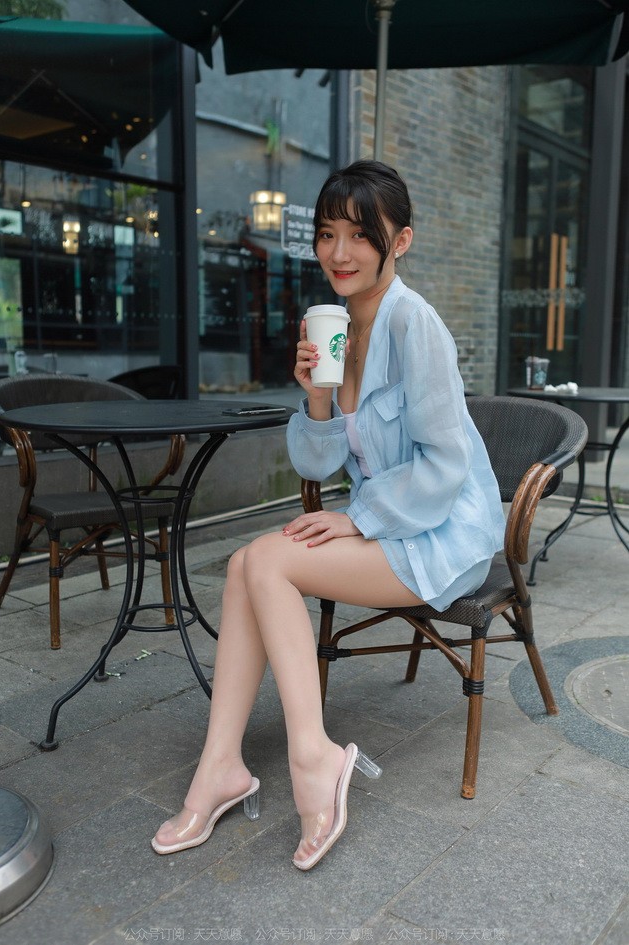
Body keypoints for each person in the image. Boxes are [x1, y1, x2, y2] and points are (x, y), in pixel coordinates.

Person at [151, 159, 505, 871]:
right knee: (246, 563)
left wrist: (360, 518)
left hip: (443, 532)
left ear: (399, 242)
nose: (339, 253)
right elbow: (318, 465)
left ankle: (311, 757)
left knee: (267, 561)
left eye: (360, 235)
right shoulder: (339, 326)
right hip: (393, 524)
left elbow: (445, 465)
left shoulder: (415, 325)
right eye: (325, 234)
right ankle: (221, 765)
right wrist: (317, 397)